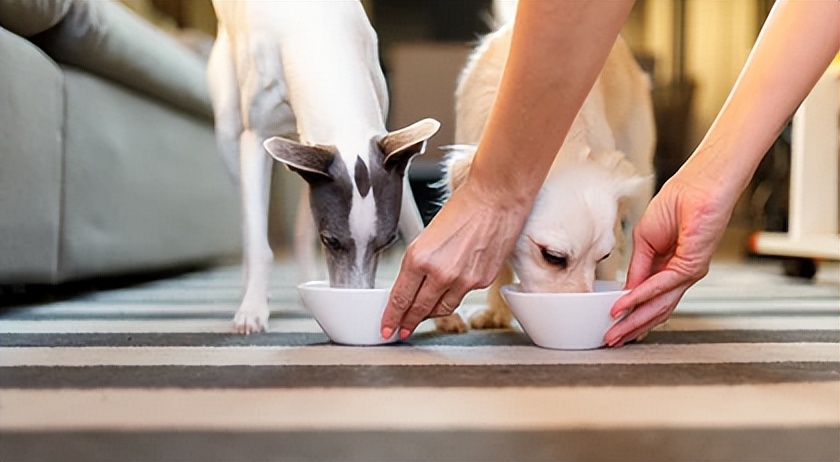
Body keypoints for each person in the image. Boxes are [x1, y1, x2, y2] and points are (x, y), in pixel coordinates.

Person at [380, 0, 840, 346]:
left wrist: (710, 179)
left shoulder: (604, 157)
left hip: (622, 94)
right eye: (556, 257)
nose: (582, 294)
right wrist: (491, 191)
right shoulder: (476, 89)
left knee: (631, 206)